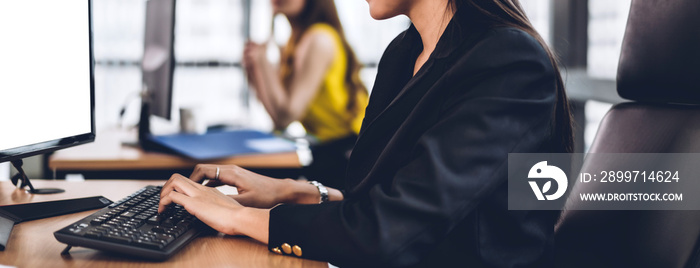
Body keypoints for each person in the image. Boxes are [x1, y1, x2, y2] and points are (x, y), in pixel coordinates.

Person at [159, 0, 573, 266]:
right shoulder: (402, 54)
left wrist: (238, 216)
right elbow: (390, 203)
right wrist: (294, 192)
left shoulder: (509, 60)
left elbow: (386, 233)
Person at [243, 0, 368, 189]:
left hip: (350, 151)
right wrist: (256, 71)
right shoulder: (295, 41)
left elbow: (287, 114)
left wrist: (263, 65)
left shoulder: (319, 38)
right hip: (326, 148)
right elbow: (278, 119)